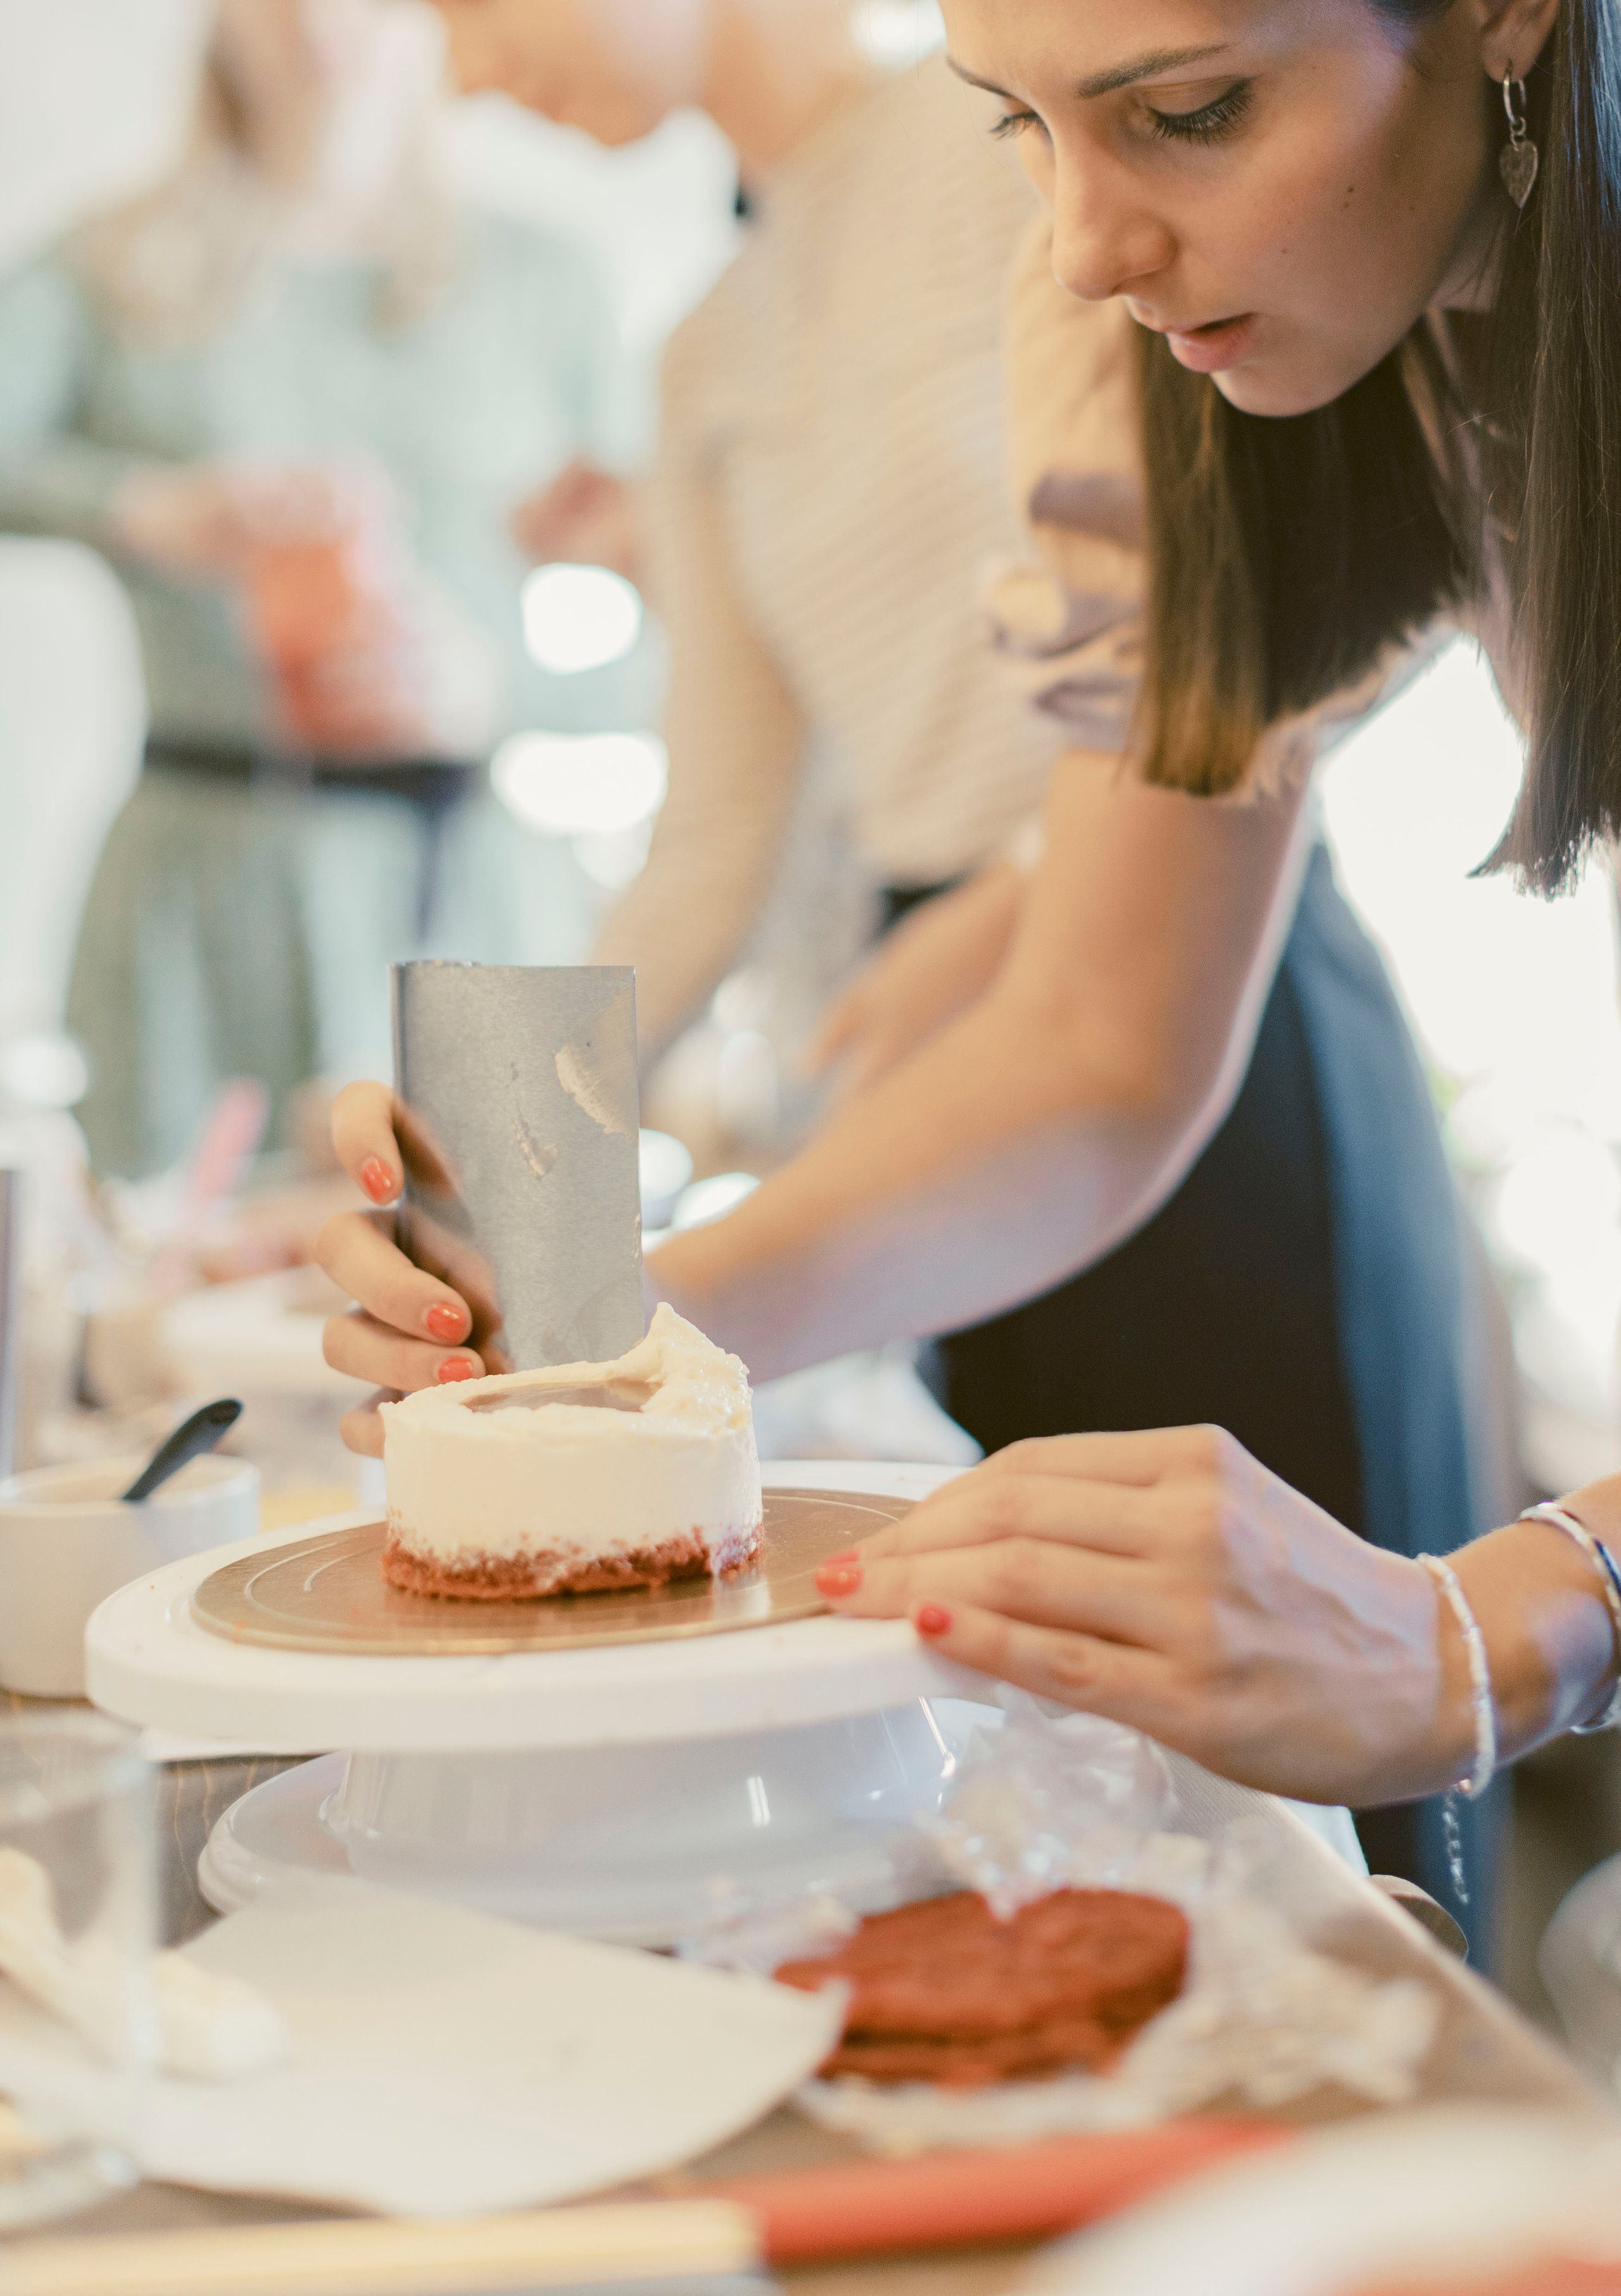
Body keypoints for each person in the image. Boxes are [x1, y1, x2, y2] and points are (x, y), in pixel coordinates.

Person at [312, 0, 1577, 1928]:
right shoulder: (1171, 347)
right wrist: (577, 1346)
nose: (1078, 247)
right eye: (1018, 132)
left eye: (1190, 111)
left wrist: (1500, 1624)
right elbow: (1091, 1039)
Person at [0, 0, 643, 1177]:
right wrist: (139, 509)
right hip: (204, 881)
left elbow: (688, 619)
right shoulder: (102, 269)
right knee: (179, 1298)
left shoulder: (545, 281)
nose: (320, 17)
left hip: (470, 886)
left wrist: (497, 684)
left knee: (510, 1291)